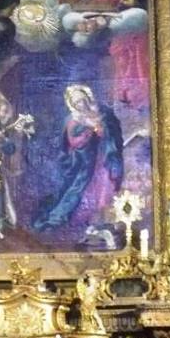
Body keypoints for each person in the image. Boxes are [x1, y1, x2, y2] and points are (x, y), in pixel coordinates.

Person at [32, 84, 123, 232]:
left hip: (102, 156)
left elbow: (108, 132)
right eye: (76, 103)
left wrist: (101, 131)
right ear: (73, 105)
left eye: (82, 100)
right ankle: (58, 217)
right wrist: (88, 133)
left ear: (87, 98)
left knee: (105, 184)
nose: (80, 104)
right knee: (78, 187)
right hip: (84, 160)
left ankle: (103, 218)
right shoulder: (73, 120)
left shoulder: (100, 113)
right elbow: (73, 142)